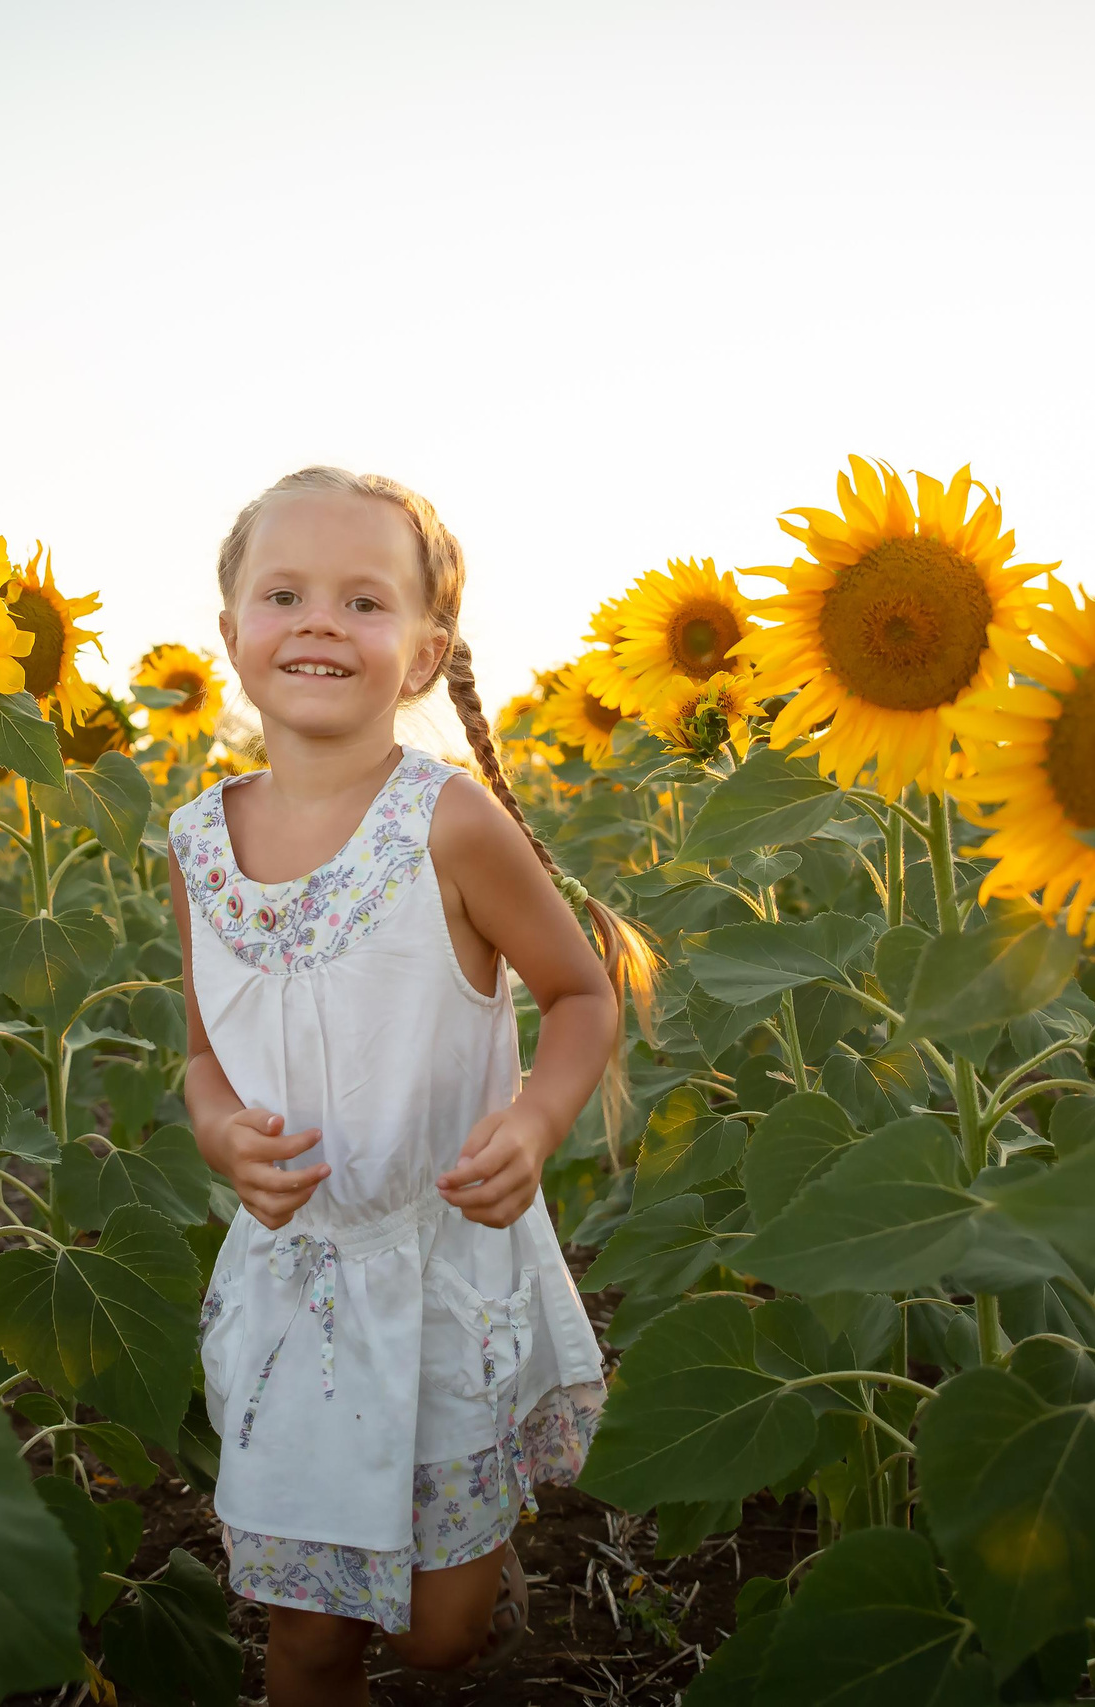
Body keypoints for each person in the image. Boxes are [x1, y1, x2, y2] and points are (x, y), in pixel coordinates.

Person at [169, 467, 652, 1705]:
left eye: (364, 601)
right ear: (231, 632)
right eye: (285, 594)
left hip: (442, 1271)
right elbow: (203, 1048)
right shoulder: (196, 841)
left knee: (440, 1639)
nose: (320, 622)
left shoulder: (446, 824)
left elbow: (582, 993)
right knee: (309, 1640)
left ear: (426, 652)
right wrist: (223, 1132)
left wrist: (536, 1120)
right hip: (293, 1283)